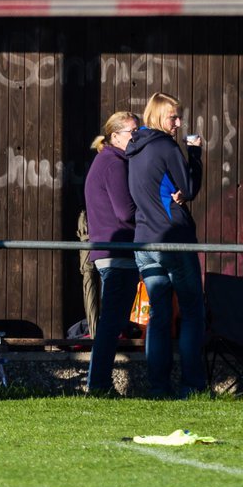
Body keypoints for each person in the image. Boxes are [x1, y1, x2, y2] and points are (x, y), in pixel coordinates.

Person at [126, 92, 207, 397]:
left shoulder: (133, 150)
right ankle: (192, 385)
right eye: (173, 116)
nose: (178, 122)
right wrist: (194, 154)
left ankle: (158, 387)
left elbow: (156, 188)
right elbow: (188, 188)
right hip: (173, 238)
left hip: (144, 241)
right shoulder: (165, 145)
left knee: (159, 315)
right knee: (191, 310)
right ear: (159, 116)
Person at [83, 111, 141, 394]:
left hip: (113, 250)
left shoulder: (108, 160)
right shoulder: (114, 163)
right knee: (111, 323)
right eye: (132, 133)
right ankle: (99, 384)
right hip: (117, 251)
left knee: (112, 321)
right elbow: (125, 211)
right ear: (115, 136)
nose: (137, 138)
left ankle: (98, 383)